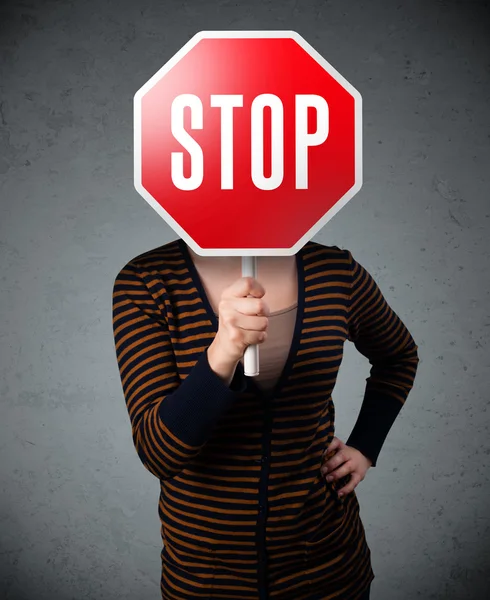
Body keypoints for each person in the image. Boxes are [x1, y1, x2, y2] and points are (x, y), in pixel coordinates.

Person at [111, 237, 419, 600]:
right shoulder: (147, 280)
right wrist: (222, 352)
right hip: (206, 579)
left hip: (328, 568)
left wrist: (365, 445)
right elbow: (158, 453)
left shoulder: (335, 272)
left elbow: (398, 356)